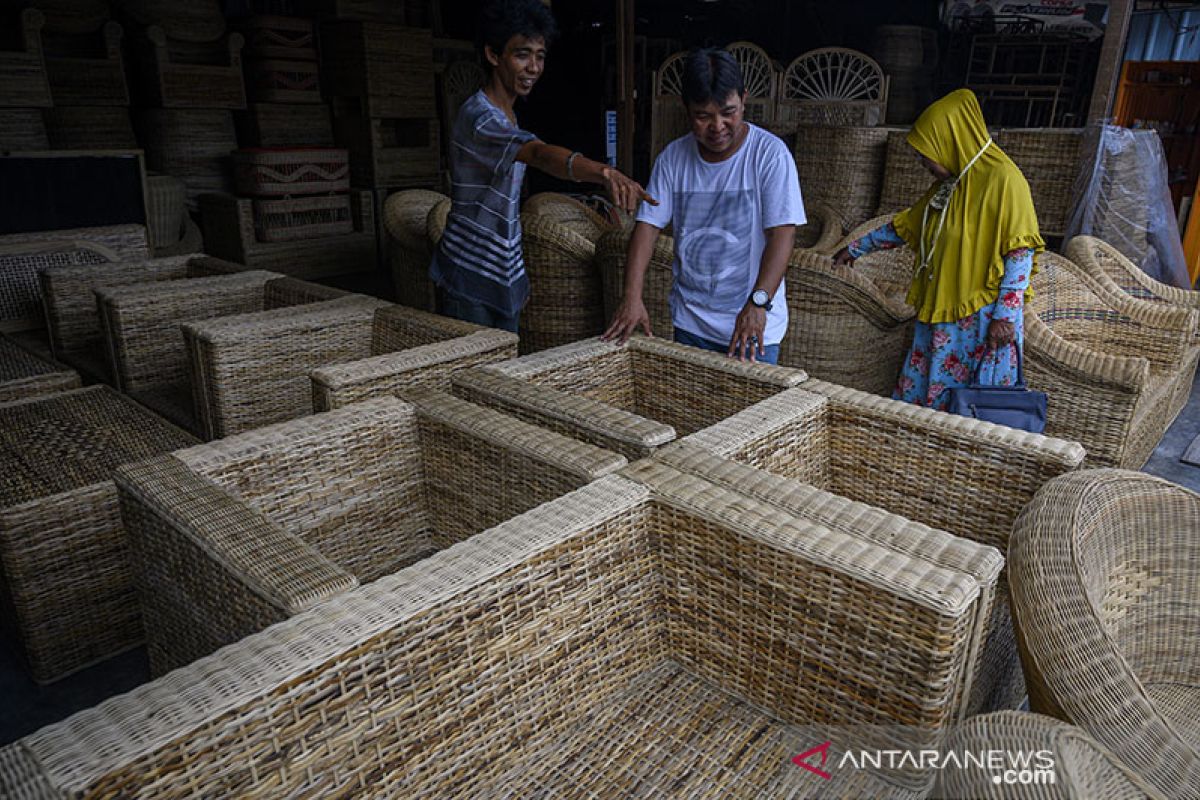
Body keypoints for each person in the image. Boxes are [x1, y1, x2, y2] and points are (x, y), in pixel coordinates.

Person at [430, 0, 652, 332]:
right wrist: (604, 172)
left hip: (499, 278)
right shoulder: (479, 117)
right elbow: (538, 154)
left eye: (540, 55)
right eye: (522, 54)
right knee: (476, 378)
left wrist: (515, 278)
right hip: (468, 277)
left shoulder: (508, 114)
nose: (533, 66)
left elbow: (504, 213)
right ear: (493, 55)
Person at [833, 88, 1044, 410]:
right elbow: (907, 226)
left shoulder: (1005, 182)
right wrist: (857, 248)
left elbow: (1019, 254)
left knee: (972, 407)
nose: (922, 162)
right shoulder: (950, 185)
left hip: (982, 320)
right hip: (942, 312)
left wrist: (1005, 316)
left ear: (951, 139)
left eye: (926, 153)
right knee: (923, 397)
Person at [602, 47, 805, 363]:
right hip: (691, 321)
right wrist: (632, 297)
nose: (718, 126)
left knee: (753, 411)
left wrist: (758, 303)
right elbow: (647, 228)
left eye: (728, 112)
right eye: (703, 116)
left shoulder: (770, 156)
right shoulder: (673, 158)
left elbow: (783, 234)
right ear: (686, 110)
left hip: (753, 324)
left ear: (744, 98)